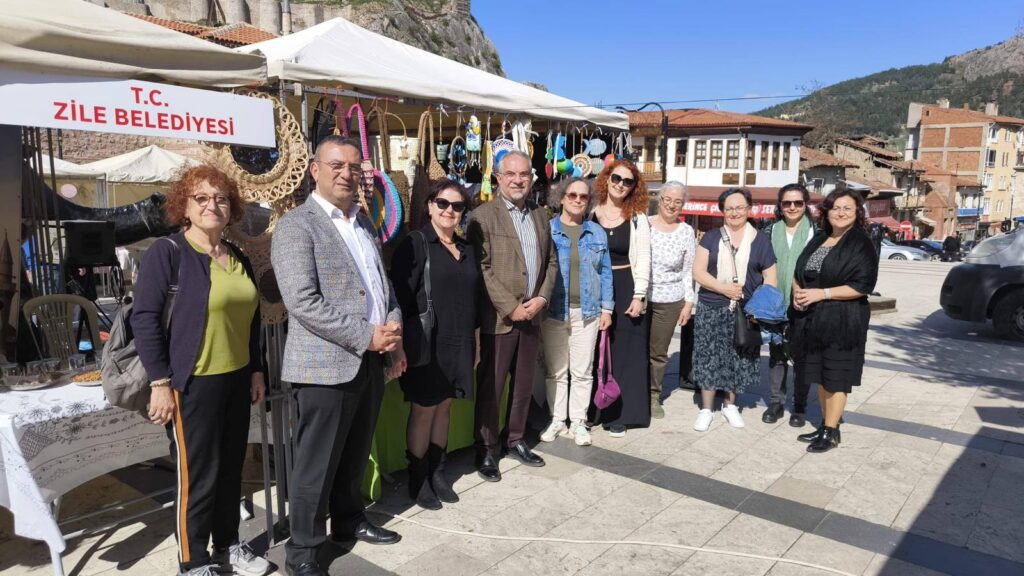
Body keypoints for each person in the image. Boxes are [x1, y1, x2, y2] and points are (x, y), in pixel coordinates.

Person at [272, 136, 406, 576]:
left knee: (354, 452)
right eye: (337, 165)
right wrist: (367, 336)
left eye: (354, 166)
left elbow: (381, 288)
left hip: (369, 358)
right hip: (324, 365)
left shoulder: (363, 223)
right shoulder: (297, 224)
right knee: (316, 465)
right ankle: (303, 553)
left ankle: (349, 522)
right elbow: (302, 301)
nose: (347, 173)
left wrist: (394, 334)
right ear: (314, 169)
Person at [133, 165, 269, 576]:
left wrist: (257, 369)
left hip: (235, 380)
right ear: (184, 207)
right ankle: (193, 561)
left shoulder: (238, 256)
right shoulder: (168, 253)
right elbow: (144, 319)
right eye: (202, 198)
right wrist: (160, 382)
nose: (213, 205)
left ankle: (228, 545)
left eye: (222, 198)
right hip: (192, 384)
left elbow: (251, 319)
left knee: (231, 470)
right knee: (198, 478)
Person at [389, 179, 479, 509]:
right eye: (443, 203)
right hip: (427, 343)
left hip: (460, 342)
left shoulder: (467, 249)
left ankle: (438, 473)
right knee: (424, 410)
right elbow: (398, 298)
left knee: (445, 407)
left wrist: (477, 342)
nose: (449, 211)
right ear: (430, 206)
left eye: (457, 206)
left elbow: (472, 300)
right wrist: (397, 346)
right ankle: (418, 478)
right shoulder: (416, 244)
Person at [467, 150, 558, 481]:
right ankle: (487, 449)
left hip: (533, 314)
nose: (518, 180)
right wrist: (511, 306)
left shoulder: (540, 214)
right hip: (499, 319)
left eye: (524, 175)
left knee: (522, 385)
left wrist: (542, 297)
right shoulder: (481, 216)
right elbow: (483, 268)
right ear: (499, 178)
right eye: (511, 174)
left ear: (531, 178)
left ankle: (516, 439)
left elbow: (551, 261)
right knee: (491, 387)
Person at [791, 188, 878, 452]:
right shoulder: (820, 238)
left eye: (847, 208)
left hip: (843, 321)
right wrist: (797, 291)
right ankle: (825, 426)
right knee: (818, 373)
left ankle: (831, 431)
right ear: (826, 212)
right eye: (835, 208)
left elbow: (863, 285)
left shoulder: (861, 243)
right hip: (813, 320)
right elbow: (800, 270)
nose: (840, 213)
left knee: (836, 377)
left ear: (856, 213)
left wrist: (822, 293)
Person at [691, 188, 777, 432]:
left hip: (746, 311)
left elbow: (770, 278)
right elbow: (698, 272)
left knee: (738, 359)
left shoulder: (761, 240)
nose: (735, 212)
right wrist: (724, 289)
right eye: (729, 208)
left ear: (749, 209)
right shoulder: (710, 237)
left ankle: (730, 405)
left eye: (740, 207)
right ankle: (706, 408)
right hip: (712, 306)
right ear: (722, 212)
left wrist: (760, 307)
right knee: (708, 357)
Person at [539, 177, 613, 447]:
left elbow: (605, 272)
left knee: (583, 371)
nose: (578, 201)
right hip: (554, 311)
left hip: (589, 311)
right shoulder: (547, 231)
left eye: (583, 197)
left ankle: (579, 421)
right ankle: (558, 419)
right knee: (556, 370)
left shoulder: (597, 232)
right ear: (560, 198)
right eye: (572, 195)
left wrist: (608, 308)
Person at [589, 159, 651, 437]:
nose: (620, 185)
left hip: (626, 284)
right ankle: (594, 409)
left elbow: (645, 258)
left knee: (625, 351)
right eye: (616, 178)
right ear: (606, 178)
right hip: (595, 285)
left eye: (628, 181)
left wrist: (640, 295)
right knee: (593, 348)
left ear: (634, 187)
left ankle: (620, 414)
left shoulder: (637, 218)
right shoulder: (590, 212)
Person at [762, 183, 815, 427]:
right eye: (787, 203)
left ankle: (800, 406)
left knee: (802, 356)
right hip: (776, 302)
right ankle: (776, 402)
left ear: (806, 205)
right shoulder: (770, 231)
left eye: (797, 203)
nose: (792, 207)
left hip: (805, 303)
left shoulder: (817, 233)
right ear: (780, 206)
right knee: (777, 354)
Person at [647, 181, 696, 419]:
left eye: (678, 201)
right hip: (640, 297)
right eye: (668, 199)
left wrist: (688, 303)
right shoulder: (643, 225)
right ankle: (633, 392)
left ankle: (653, 394)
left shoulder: (686, 232)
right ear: (659, 198)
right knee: (634, 348)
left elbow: (689, 271)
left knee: (658, 352)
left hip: (670, 299)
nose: (672, 205)